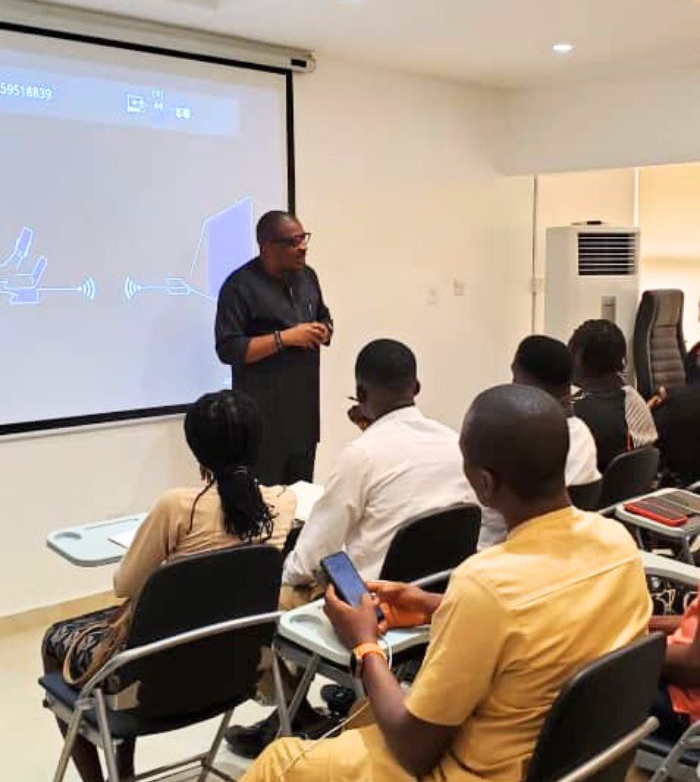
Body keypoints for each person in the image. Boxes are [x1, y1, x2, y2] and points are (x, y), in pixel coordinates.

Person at [240, 384, 651, 782]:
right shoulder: (617, 543)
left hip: (468, 771)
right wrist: (434, 606)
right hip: (572, 763)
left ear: (485, 483)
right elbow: (545, 618)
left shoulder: (486, 584)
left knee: (280, 761)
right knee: (360, 718)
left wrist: (364, 643)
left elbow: (412, 749)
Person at [227, 338, 476, 757]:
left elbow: (311, 557)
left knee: (267, 602)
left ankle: (289, 715)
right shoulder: (454, 442)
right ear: (416, 388)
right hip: (435, 598)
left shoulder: (362, 455)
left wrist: (283, 574)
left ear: (360, 394)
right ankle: (310, 709)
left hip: (372, 609)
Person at [41, 389, 296, 782]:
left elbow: (124, 585)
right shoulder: (283, 503)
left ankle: (110, 777)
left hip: (157, 681)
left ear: (196, 449)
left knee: (54, 640)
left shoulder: (177, 506)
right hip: (237, 670)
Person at [215, 210, 333, 486]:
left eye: (303, 238)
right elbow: (229, 349)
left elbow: (324, 316)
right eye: (293, 241)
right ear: (267, 247)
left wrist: (324, 330)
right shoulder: (239, 286)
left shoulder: (308, 277)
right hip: (261, 425)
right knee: (263, 504)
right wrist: (285, 338)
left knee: (300, 501)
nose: (302, 247)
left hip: (303, 420)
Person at [477, 334, 600, 549]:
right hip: (567, 549)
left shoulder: (520, 446)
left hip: (506, 556)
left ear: (526, 383)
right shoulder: (583, 434)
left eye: (515, 377)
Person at [569, 319, 657, 472]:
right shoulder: (632, 398)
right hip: (632, 485)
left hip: (594, 486)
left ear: (578, 358)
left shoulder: (576, 415)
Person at [649, 597, 700, 741]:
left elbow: (695, 667)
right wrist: (644, 623)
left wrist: (626, 646)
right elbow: (693, 623)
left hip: (687, 709)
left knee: (602, 683)